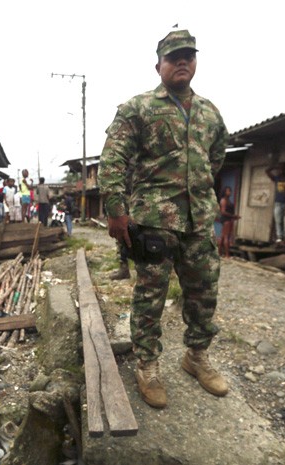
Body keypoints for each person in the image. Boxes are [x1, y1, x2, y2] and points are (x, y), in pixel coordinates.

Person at [98, 29, 229, 409]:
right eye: (174, 57)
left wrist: (199, 193)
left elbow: (215, 158)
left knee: (204, 294)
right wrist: (116, 211)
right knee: (150, 296)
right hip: (154, 220)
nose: (182, 62)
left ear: (196, 61)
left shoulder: (209, 112)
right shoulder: (137, 108)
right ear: (159, 65)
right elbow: (112, 161)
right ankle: (147, 364)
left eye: (188, 55)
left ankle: (196, 356)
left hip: (199, 222)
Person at [265, 162, 285, 245]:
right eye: (280, 169)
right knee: (278, 221)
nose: (281, 170)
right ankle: (280, 238)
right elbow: (267, 171)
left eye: (283, 168)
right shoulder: (277, 178)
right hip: (278, 202)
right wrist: (275, 166)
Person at [217, 186, 240, 258]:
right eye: (228, 191)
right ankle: (227, 255)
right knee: (226, 237)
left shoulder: (228, 200)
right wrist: (233, 216)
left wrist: (234, 217)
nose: (230, 192)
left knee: (223, 237)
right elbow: (223, 212)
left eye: (230, 191)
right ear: (224, 192)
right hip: (225, 220)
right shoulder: (223, 200)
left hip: (228, 220)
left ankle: (219, 253)